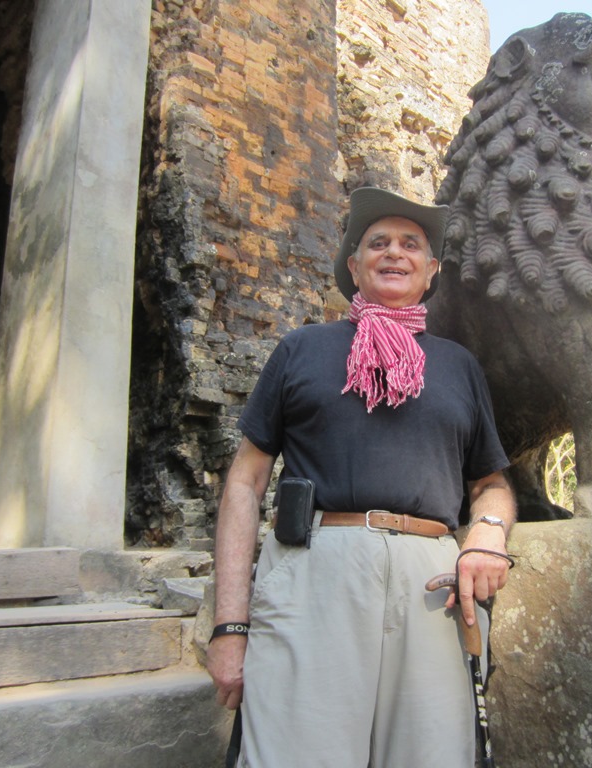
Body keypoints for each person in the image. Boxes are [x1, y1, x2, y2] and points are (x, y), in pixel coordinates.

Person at [206, 186, 517, 767]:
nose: (393, 253)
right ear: (354, 267)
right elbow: (244, 484)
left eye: (410, 244)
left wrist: (489, 534)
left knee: (432, 756)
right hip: (315, 573)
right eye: (378, 243)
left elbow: (490, 484)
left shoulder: (459, 367)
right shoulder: (301, 349)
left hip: (432, 586)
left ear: (431, 270)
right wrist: (230, 625)